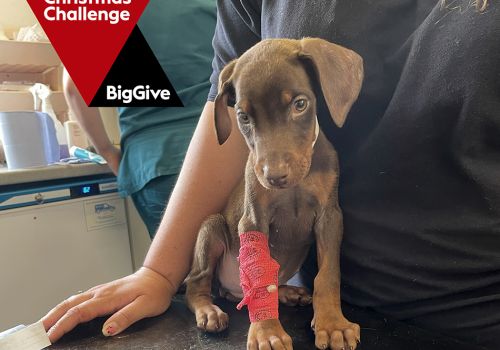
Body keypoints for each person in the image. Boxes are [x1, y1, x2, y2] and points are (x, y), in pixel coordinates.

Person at [43, 0, 500, 349]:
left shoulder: (324, 154)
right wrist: (162, 273)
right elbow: (223, 102)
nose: (273, 167)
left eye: (298, 104)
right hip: (311, 310)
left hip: (473, 313)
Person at [63, 0, 217, 238]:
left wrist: (106, 150)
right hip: (222, 150)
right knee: (249, 265)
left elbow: (73, 87)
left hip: (154, 163)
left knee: (176, 272)